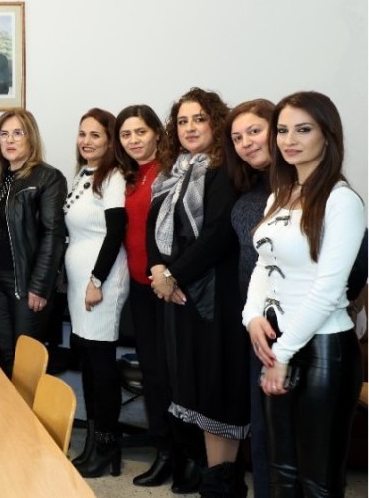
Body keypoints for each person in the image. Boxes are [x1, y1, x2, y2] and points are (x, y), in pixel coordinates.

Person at [244, 92, 365, 497]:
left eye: (303, 129)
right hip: (279, 343)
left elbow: (329, 290)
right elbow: (264, 263)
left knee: (317, 484)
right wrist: (251, 316)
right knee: (281, 475)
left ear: (327, 136)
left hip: (324, 349)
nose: (289, 140)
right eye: (282, 130)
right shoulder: (280, 193)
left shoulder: (341, 200)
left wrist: (283, 355)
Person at [147, 88, 248, 497]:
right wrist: (159, 269)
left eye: (199, 119)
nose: (189, 128)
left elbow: (218, 234)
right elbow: (154, 226)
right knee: (192, 390)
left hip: (214, 296)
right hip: (178, 294)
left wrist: (174, 275)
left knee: (215, 390)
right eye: (182, 121)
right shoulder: (172, 173)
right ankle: (210, 476)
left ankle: (222, 482)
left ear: (216, 123)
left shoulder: (226, 171)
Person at [115, 104, 184, 489]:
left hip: (169, 287)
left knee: (175, 374)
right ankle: (164, 450)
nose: (134, 140)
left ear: (157, 132)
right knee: (154, 374)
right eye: (126, 134)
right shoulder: (127, 176)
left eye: (140, 132)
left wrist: (170, 275)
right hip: (140, 288)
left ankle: (185, 454)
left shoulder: (172, 172)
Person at [63, 108, 129, 478]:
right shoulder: (84, 173)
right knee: (88, 363)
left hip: (101, 282)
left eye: (95, 135)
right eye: (82, 133)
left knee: (101, 366)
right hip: (80, 284)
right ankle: (93, 443)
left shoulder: (114, 177)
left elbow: (115, 233)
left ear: (110, 140)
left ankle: (107, 447)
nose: (86, 141)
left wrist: (97, 281)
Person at [0, 108, 66, 375]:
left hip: (26, 284)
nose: (10, 140)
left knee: (26, 360)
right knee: (6, 355)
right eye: (3, 134)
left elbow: (53, 234)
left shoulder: (48, 177)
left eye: (18, 133)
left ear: (31, 137)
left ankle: (29, 404)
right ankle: (12, 403)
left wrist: (40, 286)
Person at [225, 98, 276, 498]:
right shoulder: (250, 189)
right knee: (261, 430)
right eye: (238, 138)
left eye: (254, 131)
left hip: (287, 329)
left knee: (283, 437)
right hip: (252, 323)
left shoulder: (309, 189)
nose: (246, 143)